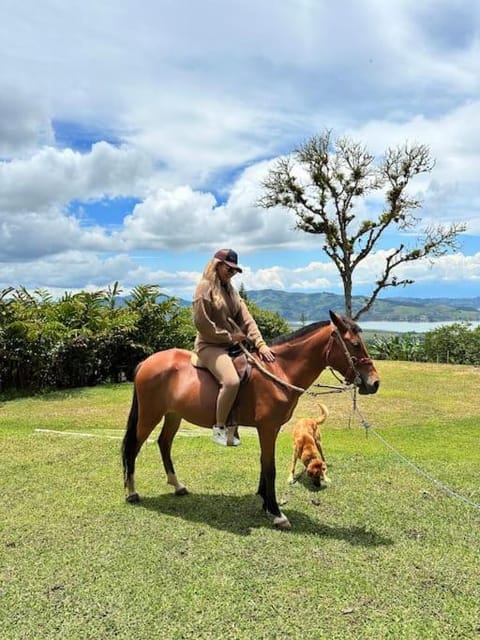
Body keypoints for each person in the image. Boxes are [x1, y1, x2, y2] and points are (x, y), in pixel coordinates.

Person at [193, 248, 275, 446]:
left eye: (234, 270)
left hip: (231, 344)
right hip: (210, 345)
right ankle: (219, 427)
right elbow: (202, 324)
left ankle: (233, 426)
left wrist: (260, 344)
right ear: (217, 265)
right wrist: (229, 336)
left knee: (253, 374)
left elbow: (247, 319)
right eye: (228, 268)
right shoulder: (204, 289)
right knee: (231, 381)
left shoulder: (231, 290)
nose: (232, 273)